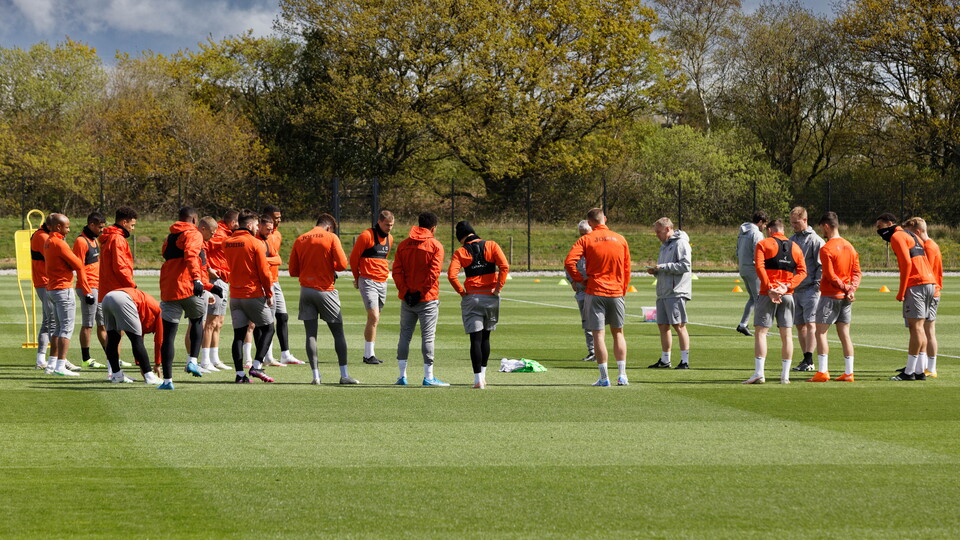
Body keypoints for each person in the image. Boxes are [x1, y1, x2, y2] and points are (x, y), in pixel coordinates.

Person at [564, 208, 631, 386]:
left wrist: (579, 280)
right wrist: (622, 289)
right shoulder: (620, 239)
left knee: (598, 335)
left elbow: (569, 261)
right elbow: (626, 268)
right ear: (605, 219)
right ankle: (622, 375)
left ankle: (604, 377)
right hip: (616, 291)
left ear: (589, 222)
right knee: (618, 333)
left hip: (595, 291)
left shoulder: (586, 239)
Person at [158, 207, 222, 389]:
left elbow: (169, 258)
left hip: (169, 290)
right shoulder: (194, 234)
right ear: (194, 220)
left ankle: (167, 380)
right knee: (197, 322)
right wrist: (198, 281)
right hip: (188, 288)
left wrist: (210, 286)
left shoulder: (169, 237)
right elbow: (192, 257)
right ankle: (192, 360)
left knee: (169, 335)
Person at [288, 213, 355, 384]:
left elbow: (293, 271)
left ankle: (316, 375)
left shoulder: (301, 239)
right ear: (329, 227)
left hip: (306, 291)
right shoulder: (331, 237)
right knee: (338, 332)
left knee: (311, 334)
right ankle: (344, 374)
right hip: (325, 290)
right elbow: (341, 265)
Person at [743, 219, 806, 384]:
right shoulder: (796, 247)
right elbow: (802, 272)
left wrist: (770, 288)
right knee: (787, 335)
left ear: (770, 230)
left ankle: (759, 373)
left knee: (761, 333)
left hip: (767, 293)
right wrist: (786, 287)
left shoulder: (764, 244)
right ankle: (785, 376)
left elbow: (759, 267)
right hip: (787, 294)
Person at [876, 213, 937, 381]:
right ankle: (919, 371)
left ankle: (909, 372)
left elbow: (906, 264)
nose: (879, 231)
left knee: (915, 328)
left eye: (880, 227)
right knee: (921, 328)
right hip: (929, 283)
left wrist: (901, 291)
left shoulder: (897, 236)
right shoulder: (910, 235)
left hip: (917, 284)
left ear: (889, 224)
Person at [448, 221, 509, 388]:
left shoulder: (461, 251)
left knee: (475, 339)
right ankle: (484, 375)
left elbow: (452, 276)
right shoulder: (491, 245)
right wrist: (498, 288)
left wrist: (462, 292)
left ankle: (477, 380)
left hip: (472, 298)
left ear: (461, 238)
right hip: (491, 296)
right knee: (486, 337)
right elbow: (504, 266)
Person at [392, 211, 448, 386]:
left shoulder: (403, 245)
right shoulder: (436, 246)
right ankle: (428, 376)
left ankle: (402, 376)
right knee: (428, 337)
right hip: (427, 299)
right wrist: (420, 292)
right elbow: (434, 274)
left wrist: (406, 291)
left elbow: (396, 271)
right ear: (433, 227)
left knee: (405, 336)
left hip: (407, 299)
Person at [808, 212, 861, 382]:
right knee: (845, 334)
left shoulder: (827, 248)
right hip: (846, 297)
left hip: (831, 295)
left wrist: (846, 288)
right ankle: (849, 372)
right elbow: (857, 272)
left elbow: (830, 275)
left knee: (821, 332)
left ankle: (823, 371)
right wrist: (851, 289)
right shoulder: (850, 246)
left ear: (826, 226)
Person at [224, 210, 276, 383]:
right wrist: (269, 294)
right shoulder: (255, 243)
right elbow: (264, 272)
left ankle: (239, 374)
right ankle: (256, 366)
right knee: (269, 327)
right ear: (249, 225)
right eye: (256, 225)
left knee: (238, 335)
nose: (257, 228)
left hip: (236, 295)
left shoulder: (228, 242)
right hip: (252, 293)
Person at [42, 213, 94, 377]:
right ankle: (60, 366)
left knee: (58, 328)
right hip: (63, 289)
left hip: (52, 289)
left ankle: (51, 364)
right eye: (67, 226)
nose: (69, 230)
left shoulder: (48, 241)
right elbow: (78, 263)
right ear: (58, 227)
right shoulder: (59, 243)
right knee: (66, 328)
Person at [349, 210, 395, 365]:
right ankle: (369, 355)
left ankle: (369, 353)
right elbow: (354, 258)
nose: (389, 228)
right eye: (387, 225)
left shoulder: (390, 239)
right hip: (368, 280)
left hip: (383, 281)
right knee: (374, 316)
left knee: (375, 318)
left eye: (391, 225)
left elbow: (384, 258)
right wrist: (357, 278)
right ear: (380, 222)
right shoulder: (366, 236)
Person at [259, 205, 302, 366]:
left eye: (279, 216)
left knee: (282, 316)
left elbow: (277, 259)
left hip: (275, 280)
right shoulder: (262, 236)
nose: (279, 219)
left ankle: (285, 354)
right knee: (266, 320)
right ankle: (265, 356)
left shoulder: (277, 235)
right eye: (276, 216)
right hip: (265, 281)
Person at [648, 217, 693, 369]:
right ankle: (665, 359)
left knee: (679, 325)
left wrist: (663, 267)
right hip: (663, 291)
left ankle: (684, 361)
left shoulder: (681, 243)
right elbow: (665, 268)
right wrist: (655, 271)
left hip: (676, 291)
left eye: (658, 232)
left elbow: (685, 265)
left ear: (668, 229)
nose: (657, 235)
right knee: (662, 326)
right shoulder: (664, 246)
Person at [101, 287, 164, 386]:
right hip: (124, 299)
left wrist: (140, 364)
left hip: (107, 298)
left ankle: (116, 375)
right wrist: (157, 364)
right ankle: (150, 376)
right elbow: (159, 341)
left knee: (113, 338)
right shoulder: (162, 313)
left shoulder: (152, 308)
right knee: (136, 339)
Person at [903, 217, 942, 378]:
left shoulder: (929, 247)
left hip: (930, 292)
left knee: (928, 330)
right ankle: (922, 365)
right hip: (931, 290)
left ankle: (930, 367)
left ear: (917, 232)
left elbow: (928, 273)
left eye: (911, 234)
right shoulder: (929, 245)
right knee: (923, 330)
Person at [788, 206, 824, 372]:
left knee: (811, 324)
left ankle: (810, 359)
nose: (794, 226)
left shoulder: (815, 240)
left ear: (805, 220)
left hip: (811, 289)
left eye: (796, 222)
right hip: (796, 289)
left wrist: (817, 286)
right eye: (792, 223)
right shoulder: (791, 240)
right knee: (799, 325)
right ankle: (805, 359)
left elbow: (821, 265)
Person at [199, 210, 236, 371]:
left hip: (224, 278)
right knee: (210, 322)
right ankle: (205, 360)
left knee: (219, 323)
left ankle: (214, 358)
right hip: (216, 279)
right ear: (233, 222)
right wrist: (207, 269)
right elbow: (202, 249)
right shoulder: (218, 233)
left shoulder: (225, 233)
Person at [71, 212, 107, 369]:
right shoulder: (81, 241)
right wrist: (87, 291)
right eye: (100, 227)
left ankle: (111, 357)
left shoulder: (94, 240)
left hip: (98, 286)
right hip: (88, 288)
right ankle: (86, 358)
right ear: (91, 225)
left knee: (103, 324)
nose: (102, 230)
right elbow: (79, 268)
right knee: (88, 324)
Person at [30, 216, 60, 370]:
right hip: (45, 281)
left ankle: (42, 359)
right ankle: (58, 359)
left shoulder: (40, 234)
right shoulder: (42, 237)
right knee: (53, 321)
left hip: (43, 281)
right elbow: (54, 257)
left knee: (48, 321)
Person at [565, 220, 596, 362]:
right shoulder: (577, 247)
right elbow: (568, 264)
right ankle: (592, 351)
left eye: (586, 233)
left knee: (598, 322)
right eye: (581, 234)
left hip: (596, 289)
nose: (583, 236)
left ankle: (599, 352)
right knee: (587, 322)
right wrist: (572, 280)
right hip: (582, 290)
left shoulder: (597, 246)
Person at [735, 211, 767, 336]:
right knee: (760, 298)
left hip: (743, 267)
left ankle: (743, 324)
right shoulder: (756, 233)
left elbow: (737, 250)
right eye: (764, 224)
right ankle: (761, 327)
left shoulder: (743, 232)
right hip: (753, 269)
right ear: (760, 222)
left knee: (753, 298)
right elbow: (758, 252)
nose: (764, 227)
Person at [98, 207, 138, 300]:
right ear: (124, 223)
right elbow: (120, 266)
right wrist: (132, 285)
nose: (133, 228)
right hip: (118, 291)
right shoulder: (118, 239)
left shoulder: (109, 237)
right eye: (132, 225)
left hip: (107, 291)